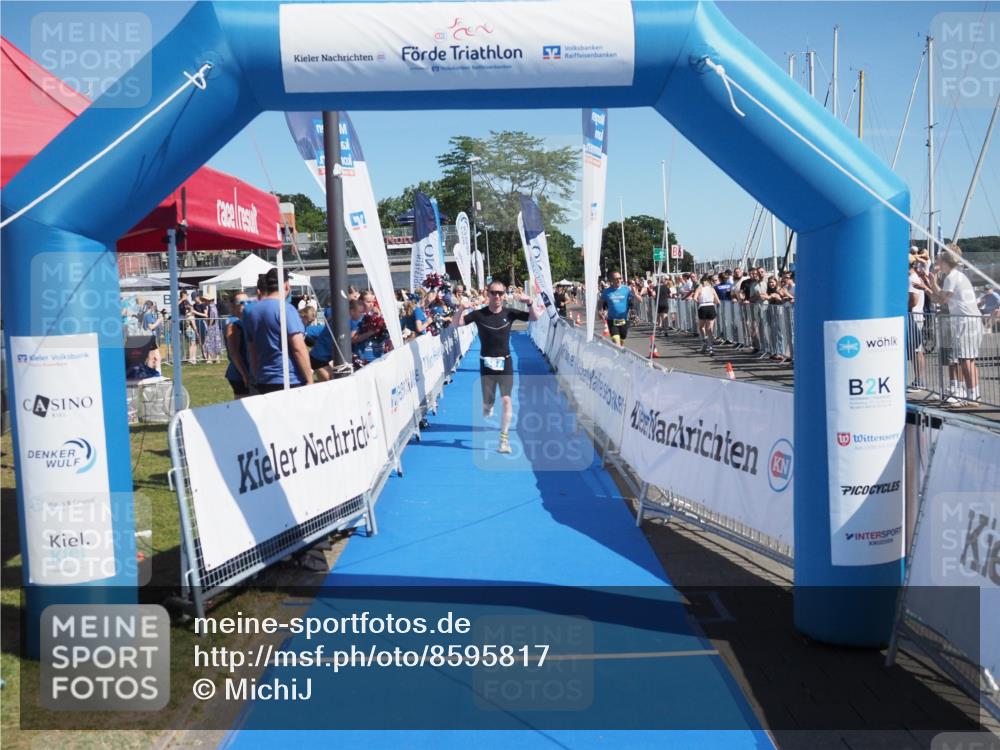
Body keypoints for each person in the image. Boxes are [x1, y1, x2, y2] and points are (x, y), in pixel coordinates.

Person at [456, 280, 539, 454]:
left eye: (500, 293)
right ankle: (488, 404)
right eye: (493, 292)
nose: (497, 296)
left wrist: (530, 302)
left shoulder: (510, 313)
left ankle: (503, 440)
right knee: (488, 404)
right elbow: (456, 324)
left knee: (507, 399)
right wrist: (462, 308)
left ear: (504, 295)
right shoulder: (479, 315)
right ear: (488, 294)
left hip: (505, 362)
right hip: (486, 362)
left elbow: (534, 317)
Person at [920, 245, 983, 404]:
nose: (937, 263)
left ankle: (972, 396)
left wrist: (932, 283)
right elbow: (941, 298)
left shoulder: (951, 277)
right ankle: (973, 394)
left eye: (939, 260)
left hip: (965, 321)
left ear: (945, 262)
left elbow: (942, 299)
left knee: (965, 359)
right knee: (969, 359)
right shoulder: (958, 276)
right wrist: (932, 284)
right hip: (970, 320)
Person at [243, 268, 314, 393]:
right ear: (286, 285)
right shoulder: (286, 309)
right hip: (289, 379)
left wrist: (256, 375)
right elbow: (298, 347)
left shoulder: (251, 312)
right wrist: (309, 378)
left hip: (264, 379)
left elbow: (251, 348)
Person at [224, 292, 253, 398]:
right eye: (241, 302)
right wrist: (245, 375)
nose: (246, 305)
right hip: (239, 373)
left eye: (249, 302)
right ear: (233, 306)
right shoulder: (233, 323)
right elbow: (234, 353)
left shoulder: (246, 321)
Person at [600, 272, 635, 346]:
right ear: (611, 280)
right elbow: (601, 301)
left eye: (620, 278)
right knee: (617, 343)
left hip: (624, 320)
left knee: (621, 342)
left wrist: (635, 294)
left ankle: (619, 355)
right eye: (616, 279)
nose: (619, 280)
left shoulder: (626, 289)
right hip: (612, 321)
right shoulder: (607, 291)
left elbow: (638, 300)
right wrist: (599, 311)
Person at [695, 275, 721, 355]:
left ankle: (704, 340)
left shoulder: (700, 287)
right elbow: (718, 301)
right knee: (710, 329)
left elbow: (694, 298)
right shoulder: (712, 289)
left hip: (702, 307)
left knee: (701, 327)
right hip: (711, 307)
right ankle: (711, 348)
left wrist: (699, 301)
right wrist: (714, 302)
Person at [202, 296, 223, 364]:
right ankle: (216, 358)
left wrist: (209, 326)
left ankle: (210, 358)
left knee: (208, 342)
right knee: (216, 342)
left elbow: (212, 318)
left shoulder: (212, 308)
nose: (205, 301)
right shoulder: (214, 307)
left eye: (206, 300)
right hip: (215, 327)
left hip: (212, 327)